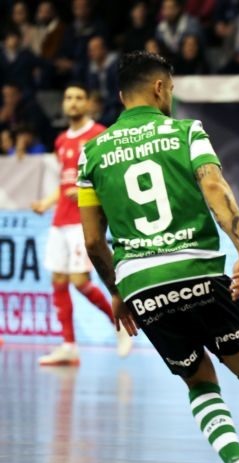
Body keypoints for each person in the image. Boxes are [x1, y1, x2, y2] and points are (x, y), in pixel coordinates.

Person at [76, 51, 239, 463]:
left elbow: (92, 242)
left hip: (141, 285)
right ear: (161, 88)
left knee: (198, 380)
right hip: (198, 273)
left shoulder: (91, 153)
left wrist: (118, 291)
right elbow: (213, 186)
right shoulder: (187, 132)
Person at [31, 84, 132, 365]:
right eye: (68, 98)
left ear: (89, 103)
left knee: (79, 281)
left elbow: (112, 176)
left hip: (82, 219)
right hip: (59, 219)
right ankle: (68, 346)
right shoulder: (62, 140)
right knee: (58, 280)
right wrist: (46, 201)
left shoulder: (99, 135)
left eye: (78, 98)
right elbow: (64, 182)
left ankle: (121, 321)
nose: (72, 103)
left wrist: (91, 192)